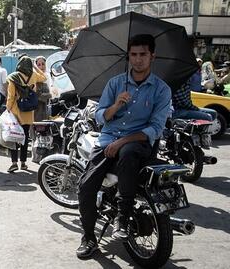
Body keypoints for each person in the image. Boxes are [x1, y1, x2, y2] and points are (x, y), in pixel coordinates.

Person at [76, 34, 171, 259]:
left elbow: (156, 128)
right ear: (129, 56)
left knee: (128, 152)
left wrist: (123, 140)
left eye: (143, 54)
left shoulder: (161, 89)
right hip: (108, 142)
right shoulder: (115, 83)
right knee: (86, 186)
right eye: (134, 55)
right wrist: (116, 105)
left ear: (152, 56)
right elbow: (100, 117)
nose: (138, 59)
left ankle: (123, 217)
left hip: (137, 145)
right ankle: (89, 237)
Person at [6, 56, 46, 173]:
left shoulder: (13, 77)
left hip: (16, 112)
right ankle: (23, 163)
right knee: (25, 137)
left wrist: (7, 109)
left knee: (14, 137)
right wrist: (35, 68)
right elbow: (44, 77)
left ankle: (14, 163)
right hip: (28, 112)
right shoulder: (34, 75)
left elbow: (11, 96)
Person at [34, 56, 52, 122]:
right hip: (38, 108)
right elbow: (39, 95)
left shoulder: (48, 75)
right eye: (39, 65)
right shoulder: (35, 77)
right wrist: (51, 95)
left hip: (48, 106)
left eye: (43, 64)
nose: (41, 67)